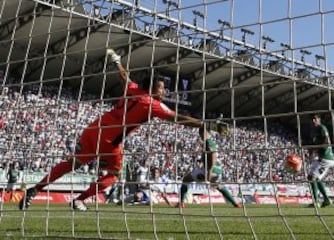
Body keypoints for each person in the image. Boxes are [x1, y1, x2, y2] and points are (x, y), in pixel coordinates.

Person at [19, 48, 227, 211]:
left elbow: (124, 76)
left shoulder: (134, 89)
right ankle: (79, 200)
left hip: (95, 128)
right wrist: (205, 124)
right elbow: (178, 118)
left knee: (72, 163)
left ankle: (34, 189)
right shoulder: (152, 104)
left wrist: (116, 60)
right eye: (162, 88)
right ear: (153, 89)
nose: (164, 92)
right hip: (110, 140)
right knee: (115, 174)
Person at [175, 127, 241, 208]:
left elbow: (213, 155)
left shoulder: (209, 142)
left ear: (206, 132)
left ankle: (181, 203)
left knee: (186, 179)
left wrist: (209, 170)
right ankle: (235, 203)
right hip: (216, 170)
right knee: (218, 186)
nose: (200, 135)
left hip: (210, 170)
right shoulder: (209, 142)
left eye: (201, 133)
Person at [308, 114, 334, 208]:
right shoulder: (312, 132)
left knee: (313, 178)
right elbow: (312, 144)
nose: (313, 121)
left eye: (315, 119)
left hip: (326, 158)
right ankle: (326, 200)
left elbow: (327, 142)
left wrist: (317, 149)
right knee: (311, 177)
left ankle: (316, 202)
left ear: (319, 119)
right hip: (321, 158)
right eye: (312, 119)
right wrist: (311, 153)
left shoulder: (322, 128)